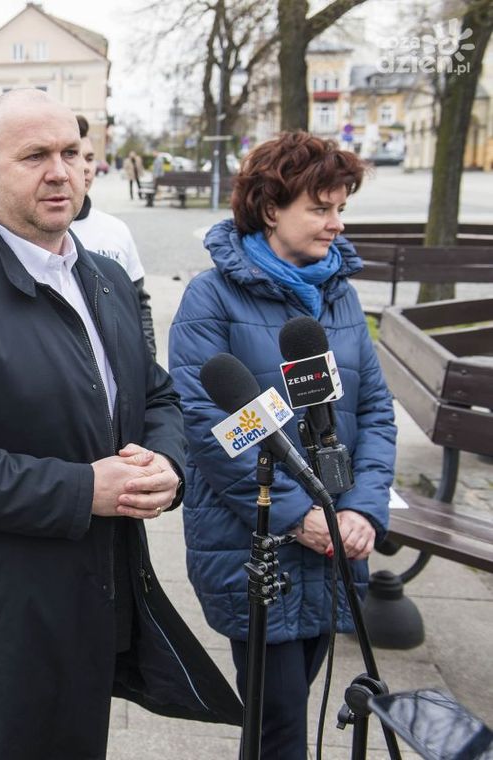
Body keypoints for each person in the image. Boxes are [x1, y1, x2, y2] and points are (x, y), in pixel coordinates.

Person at [0, 88, 241, 760]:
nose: (60, 171)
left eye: (73, 152)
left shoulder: (102, 277)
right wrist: (84, 490)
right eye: (35, 155)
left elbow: (156, 395)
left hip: (91, 603)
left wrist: (168, 464)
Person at [168, 131, 396, 759]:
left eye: (340, 207)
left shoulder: (340, 296)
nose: (336, 223)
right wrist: (303, 518)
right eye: (320, 208)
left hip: (336, 544)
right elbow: (211, 427)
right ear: (272, 209)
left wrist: (362, 509)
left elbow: (375, 410)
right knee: (280, 727)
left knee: (286, 715)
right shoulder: (209, 299)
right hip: (254, 543)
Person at [72, 117, 156, 356]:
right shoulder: (39, 235)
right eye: (74, 155)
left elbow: (139, 305)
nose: (86, 167)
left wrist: (148, 366)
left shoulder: (116, 229)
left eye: (89, 158)